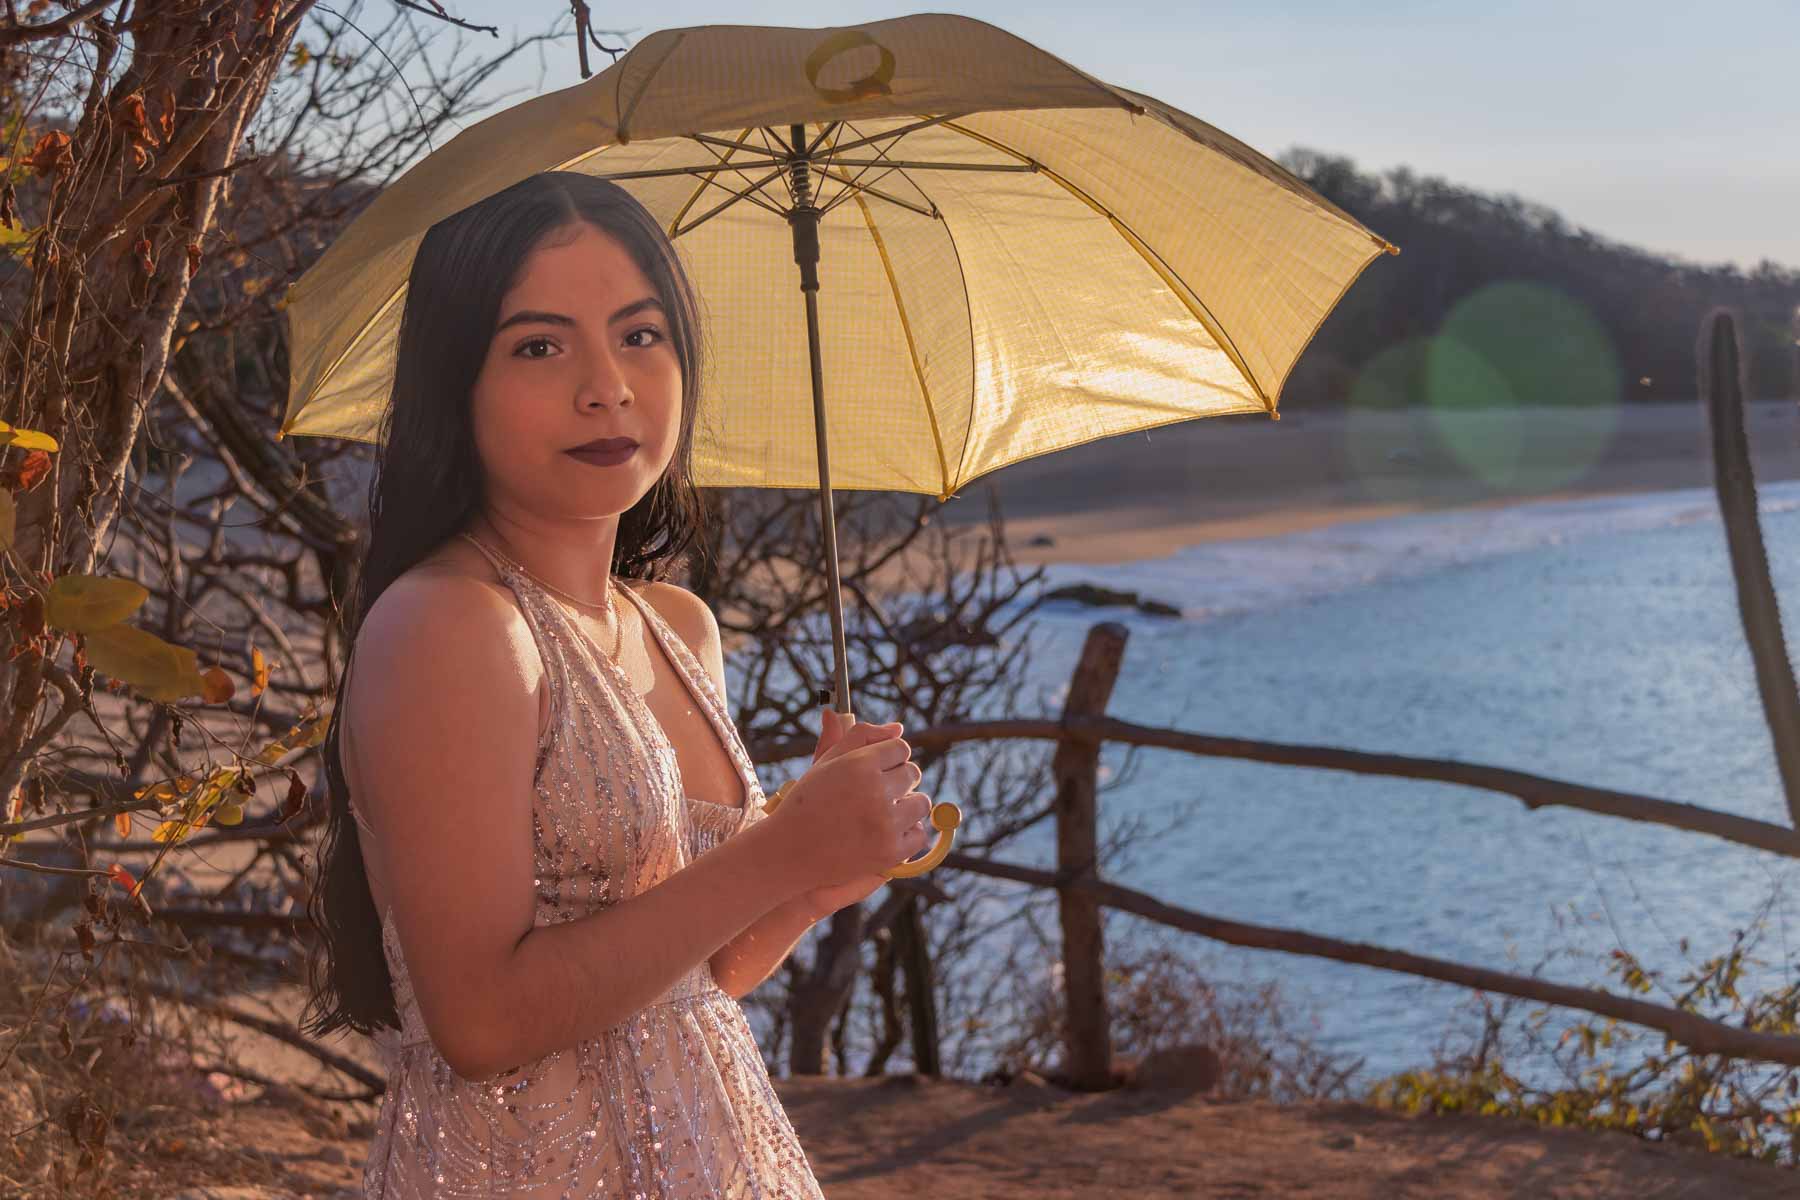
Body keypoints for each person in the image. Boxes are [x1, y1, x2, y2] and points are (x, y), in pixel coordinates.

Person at [300, 170, 934, 1198]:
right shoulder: (452, 624)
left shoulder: (677, 626)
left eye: (641, 335)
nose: (607, 386)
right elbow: (482, 1024)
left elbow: (695, 978)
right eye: (539, 347)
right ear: (456, 384)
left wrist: (810, 882)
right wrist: (778, 848)